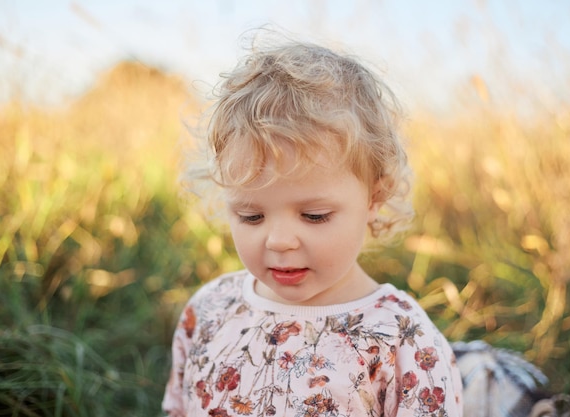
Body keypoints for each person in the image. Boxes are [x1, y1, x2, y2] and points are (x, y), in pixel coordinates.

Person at [162, 32, 464, 417]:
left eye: (314, 216)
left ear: (375, 198)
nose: (280, 241)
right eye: (251, 216)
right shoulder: (209, 311)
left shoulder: (402, 340)